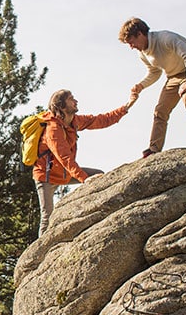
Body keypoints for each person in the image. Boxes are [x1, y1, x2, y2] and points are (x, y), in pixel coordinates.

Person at [33, 89, 136, 236]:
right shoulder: (53, 129)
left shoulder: (74, 121)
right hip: (46, 177)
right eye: (71, 99)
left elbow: (101, 120)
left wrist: (126, 107)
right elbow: (65, 158)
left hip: (65, 173)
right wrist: (85, 179)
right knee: (47, 218)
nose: (76, 101)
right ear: (61, 106)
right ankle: (39, 256)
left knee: (99, 176)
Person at [118, 17, 186, 158]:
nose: (131, 47)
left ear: (140, 34)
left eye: (131, 42)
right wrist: (141, 85)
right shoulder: (142, 53)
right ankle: (154, 148)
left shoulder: (165, 38)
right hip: (173, 77)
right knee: (160, 110)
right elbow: (155, 72)